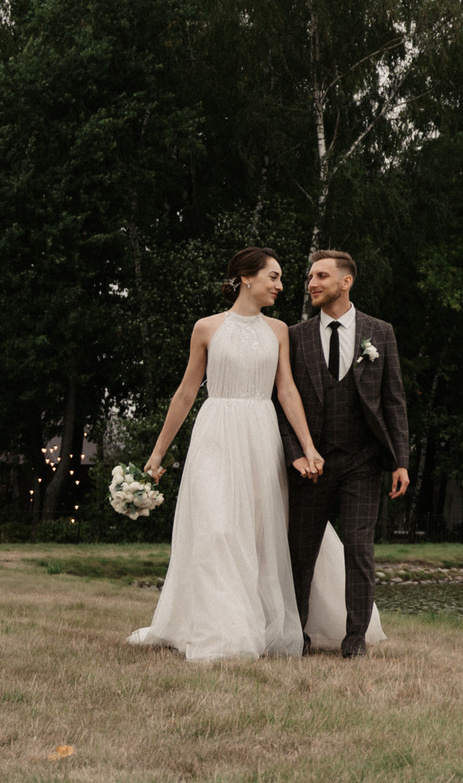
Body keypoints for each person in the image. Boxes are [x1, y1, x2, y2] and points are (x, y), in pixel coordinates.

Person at [128, 248, 322, 661]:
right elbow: (185, 393)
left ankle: (256, 624)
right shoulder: (206, 328)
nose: (281, 286)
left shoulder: (279, 331)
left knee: (255, 531)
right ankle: (221, 631)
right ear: (245, 277)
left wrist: (307, 445)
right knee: (217, 527)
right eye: (273, 276)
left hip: (260, 434)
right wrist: (157, 454)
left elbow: (286, 390)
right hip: (216, 433)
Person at [283, 249, 411, 657]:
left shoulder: (381, 332)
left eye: (321, 276)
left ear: (346, 281)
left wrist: (401, 461)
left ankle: (354, 641)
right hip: (311, 464)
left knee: (359, 549)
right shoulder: (294, 335)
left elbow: (394, 401)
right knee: (300, 552)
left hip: (362, 461)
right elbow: (280, 403)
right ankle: (295, 635)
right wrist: (296, 454)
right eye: (309, 278)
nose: (312, 283)